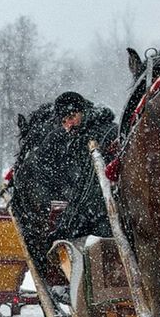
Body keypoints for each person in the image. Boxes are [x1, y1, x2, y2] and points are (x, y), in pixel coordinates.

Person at [48, 91, 117, 241]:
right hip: (104, 209)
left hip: (108, 213)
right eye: (64, 121)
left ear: (84, 112)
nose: (69, 124)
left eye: (72, 117)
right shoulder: (83, 136)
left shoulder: (96, 136)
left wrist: (69, 223)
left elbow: (89, 188)